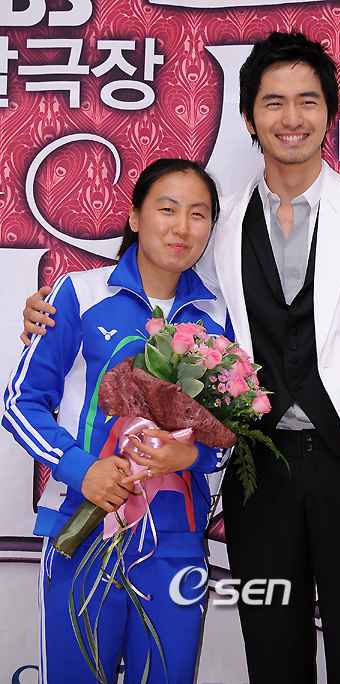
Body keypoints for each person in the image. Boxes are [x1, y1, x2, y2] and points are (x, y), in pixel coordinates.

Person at [21, 32, 340, 684]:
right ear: (250, 117)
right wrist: (47, 309)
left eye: (307, 100)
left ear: (330, 112)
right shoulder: (218, 226)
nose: (291, 117)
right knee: (272, 659)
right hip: (260, 474)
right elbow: (159, 291)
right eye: (273, 102)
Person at [4, 158, 233, 684]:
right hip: (82, 525)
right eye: (167, 209)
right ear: (134, 216)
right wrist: (81, 468)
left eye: (198, 214)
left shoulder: (219, 316)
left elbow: (234, 433)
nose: (181, 227)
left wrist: (194, 455)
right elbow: (21, 402)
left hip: (176, 539)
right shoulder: (78, 294)